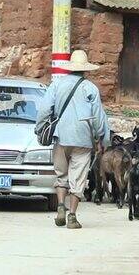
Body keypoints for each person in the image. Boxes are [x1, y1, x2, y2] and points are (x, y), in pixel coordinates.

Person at [36, 50, 110, 229]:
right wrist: (103, 140)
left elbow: (45, 109)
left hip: (60, 136)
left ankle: (60, 207)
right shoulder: (90, 88)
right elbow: (99, 118)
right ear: (85, 70)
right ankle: (72, 216)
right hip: (83, 139)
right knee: (78, 178)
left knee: (61, 175)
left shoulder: (57, 85)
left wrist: (39, 128)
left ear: (70, 68)